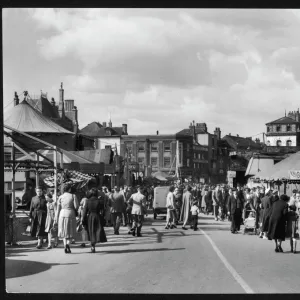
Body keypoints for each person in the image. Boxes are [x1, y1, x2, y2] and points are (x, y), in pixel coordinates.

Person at [55, 183, 79, 254]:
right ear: (69, 189)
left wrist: (56, 218)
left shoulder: (60, 197)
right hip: (70, 213)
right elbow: (76, 207)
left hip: (62, 214)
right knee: (71, 231)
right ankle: (68, 244)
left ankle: (65, 245)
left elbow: (57, 209)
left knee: (63, 231)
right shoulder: (73, 196)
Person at [82, 188, 107, 253]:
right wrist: (103, 217)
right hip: (97, 216)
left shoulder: (87, 201)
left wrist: (83, 219)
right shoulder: (99, 201)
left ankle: (92, 245)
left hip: (90, 217)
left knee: (91, 230)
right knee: (97, 230)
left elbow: (85, 211)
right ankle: (95, 242)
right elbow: (103, 210)